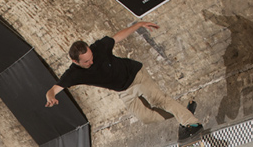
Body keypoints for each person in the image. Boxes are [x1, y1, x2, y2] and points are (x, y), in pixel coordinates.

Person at [45, 21, 203, 140]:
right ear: (75, 62)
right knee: (146, 118)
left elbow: (118, 37)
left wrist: (139, 24)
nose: (91, 62)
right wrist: (50, 97)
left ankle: (192, 123)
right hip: (123, 91)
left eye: (91, 57)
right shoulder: (73, 74)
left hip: (136, 75)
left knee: (159, 100)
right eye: (86, 62)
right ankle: (184, 113)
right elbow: (54, 89)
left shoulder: (99, 47)